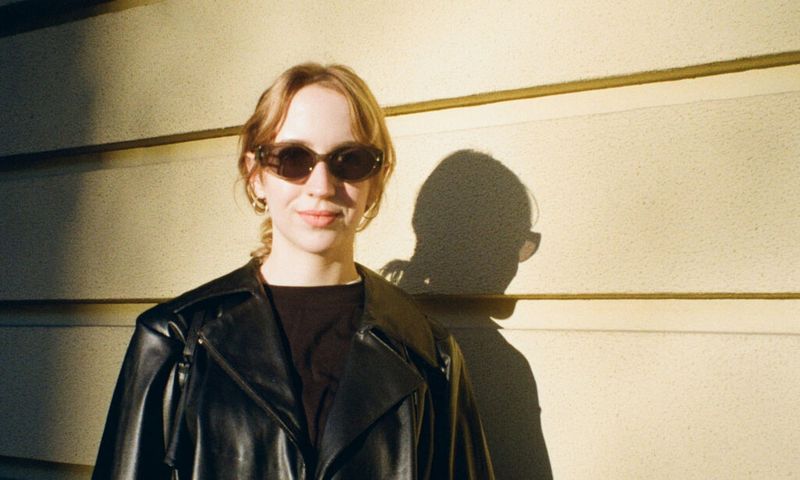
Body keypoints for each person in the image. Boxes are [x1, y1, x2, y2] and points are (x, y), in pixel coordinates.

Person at [92, 63, 494, 479]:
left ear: (377, 178)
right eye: (293, 158)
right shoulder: (176, 342)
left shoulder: (430, 353)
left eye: (350, 160)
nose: (321, 184)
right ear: (256, 174)